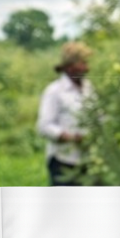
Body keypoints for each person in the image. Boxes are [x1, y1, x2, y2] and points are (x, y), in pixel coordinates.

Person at [36, 41, 95, 185]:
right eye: (83, 63)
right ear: (70, 67)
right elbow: (44, 126)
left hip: (89, 160)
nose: (87, 68)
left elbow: (98, 116)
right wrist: (72, 138)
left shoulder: (89, 88)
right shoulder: (55, 91)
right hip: (63, 161)